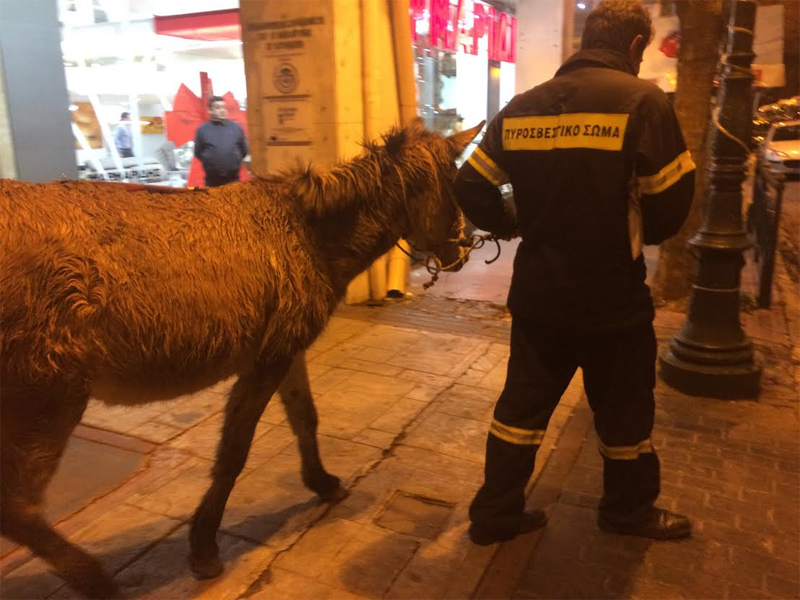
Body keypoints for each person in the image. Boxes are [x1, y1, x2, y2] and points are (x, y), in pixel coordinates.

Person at [455, 0, 695, 546]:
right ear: (635, 47)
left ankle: (494, 515)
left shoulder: (522, 106)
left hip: (539, 297)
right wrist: (643, 232)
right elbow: (673, 200)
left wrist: (511, 222)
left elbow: (469, 182)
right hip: (612, 298)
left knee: (519, 411)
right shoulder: (642, 101)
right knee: (624, 413)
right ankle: (626, 511)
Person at [194, 96, 249, 187]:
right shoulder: (203, 129)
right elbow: (198, 152)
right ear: (210, 110)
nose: (222, 110)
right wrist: (210, 161)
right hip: (212, 181)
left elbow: (244, 150)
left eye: (223, 107)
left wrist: (235, 159)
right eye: (218, 108)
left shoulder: (236, 128)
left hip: (233, 180)